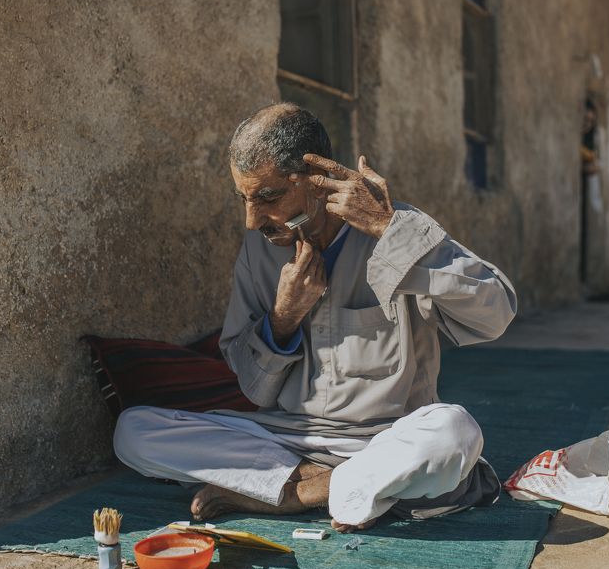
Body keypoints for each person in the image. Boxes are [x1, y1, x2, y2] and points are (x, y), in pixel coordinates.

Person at [113, 103, 518, 532]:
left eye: (268, 197)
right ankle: (332, 486)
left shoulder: (397, 227)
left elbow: (496, 315)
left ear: (317, 179)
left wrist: (389, 232)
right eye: (245, 199)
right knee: (134, 431)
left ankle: (291, 494)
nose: (252, 220)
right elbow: (255, 390)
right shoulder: (260, 249)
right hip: (287, 440)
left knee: (455, 431)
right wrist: (283, 317)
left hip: (388, 439)